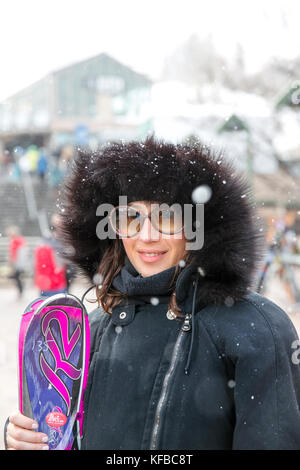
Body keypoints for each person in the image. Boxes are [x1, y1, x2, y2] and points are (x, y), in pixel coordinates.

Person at [5, 137, 300, 450]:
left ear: (200, 226)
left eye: (167, 217)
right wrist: (26, 439)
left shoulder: (258, 329)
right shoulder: (87, 333)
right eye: (130, 217)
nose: (147, 235)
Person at [6, 225, 28, 299]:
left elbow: (13, 253)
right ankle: (21, 289)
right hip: (21, 262)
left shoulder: (14, 241)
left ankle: (21, 290)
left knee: (16, 277)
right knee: (17, 277)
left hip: (17, 263)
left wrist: (12, 262)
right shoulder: (21, 240)